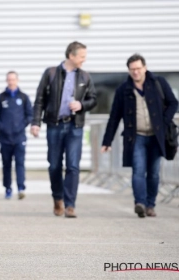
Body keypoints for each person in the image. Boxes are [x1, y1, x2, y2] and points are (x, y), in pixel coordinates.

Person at [101, 54, 178, 218]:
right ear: (129, 71)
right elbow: (114, 116)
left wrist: (164, 122)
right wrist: (107, 141)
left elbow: (173, 103)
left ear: (145, 68)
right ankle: (140, 203)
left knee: (154, 172)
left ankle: (151, 205)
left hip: (157, 137)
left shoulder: (158, 83)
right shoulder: (123, 90)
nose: (135, 72)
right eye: (132, 69)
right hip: (136, 137)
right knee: (138, 170)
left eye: (138, 68)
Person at [30, 41, 97, 218]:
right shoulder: (50, 73)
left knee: (73, 166)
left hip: (75, 127)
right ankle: (57, 199)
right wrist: (35, 122)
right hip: (54, 125)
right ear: (71, 56)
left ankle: (70, 205)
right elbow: (39, 100)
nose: (84, 60)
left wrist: (81, 104)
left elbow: (93, 99)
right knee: (54, 166)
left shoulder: (85, 77)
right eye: (82, 56)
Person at [0, 71, 33, 200]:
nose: (11, 82)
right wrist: (1, 127)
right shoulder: (1, 98)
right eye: (9, 79)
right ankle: (8, 188)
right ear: (6, 81)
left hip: (19, 137)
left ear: (17, 80)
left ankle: (21, 188)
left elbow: (30, 115)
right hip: (5, 138)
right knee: (6, 164)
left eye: (13, 79)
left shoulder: (24, 97)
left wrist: (21, 126)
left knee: (20, 163)